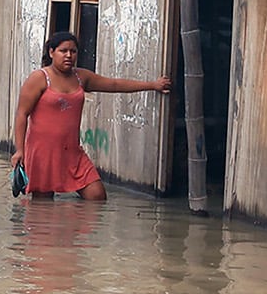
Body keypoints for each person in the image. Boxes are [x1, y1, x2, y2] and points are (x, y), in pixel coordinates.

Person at [11, 30, 171, 201]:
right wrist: (20, 150)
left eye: (73, 51)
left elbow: (114, 84)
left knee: (97, 196)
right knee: (43, 206)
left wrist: (153, 85)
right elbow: (22, 114)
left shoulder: (81, 77)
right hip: (43, 153)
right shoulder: (39, 78)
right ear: (51, 52)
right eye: (63, 51)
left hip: (72, 152)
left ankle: (74, 225)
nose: (68, 55)